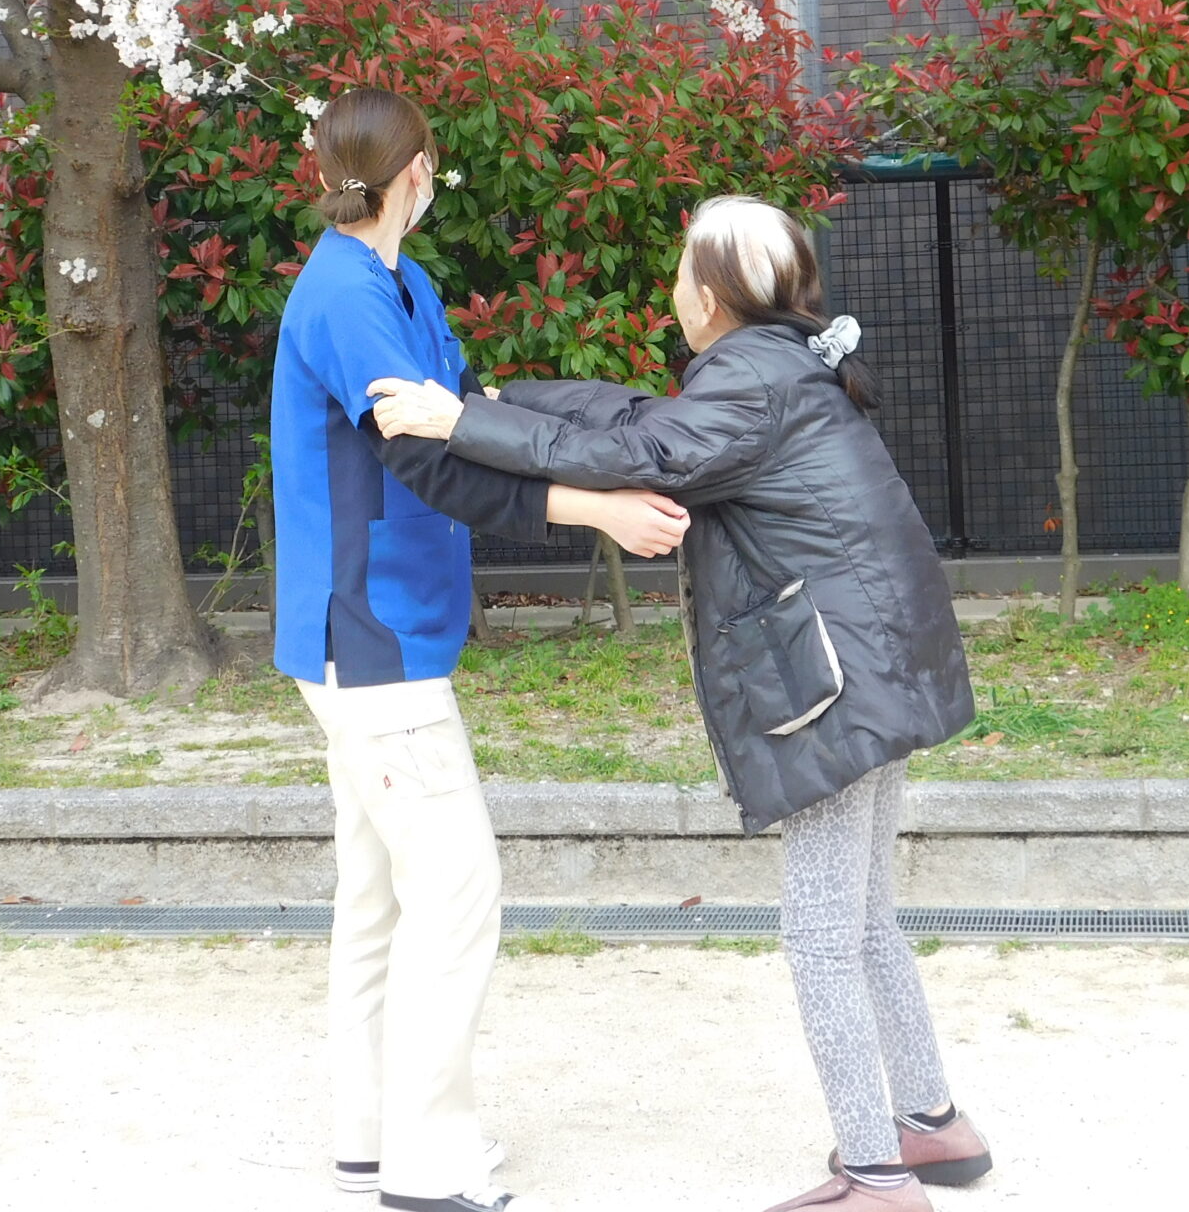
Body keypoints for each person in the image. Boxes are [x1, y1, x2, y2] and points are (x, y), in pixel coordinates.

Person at [369, 195, 987, 1212]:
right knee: (864, 915)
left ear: (706, 297)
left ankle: (876, 1178)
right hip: (882, 662)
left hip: (838, 678)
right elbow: (634, 420)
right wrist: (494, 398)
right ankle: (931, 1128)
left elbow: (641, 457)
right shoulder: (777, 365)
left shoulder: (751, 379)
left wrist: (458, 421)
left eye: (677, 277)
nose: (672, 292)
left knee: (822, 931)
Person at [271, 86, 690, 1212]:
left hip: (378, 635)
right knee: (457, 893)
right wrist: (594, 508)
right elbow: (430, 464)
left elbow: (470, 411)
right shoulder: (348, 298)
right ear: (414, 173)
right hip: (370, 640)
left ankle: (370, 1144)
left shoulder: (401, 285)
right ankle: (427, 1166)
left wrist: (617, 431)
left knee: (380, 901)